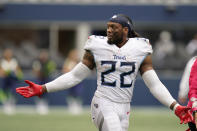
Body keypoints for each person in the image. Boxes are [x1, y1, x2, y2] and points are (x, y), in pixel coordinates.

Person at [16, 14, 192, 131]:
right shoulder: (97, 45)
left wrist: (175, 106)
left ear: (125, 30)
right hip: (103, 102)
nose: (108, 30)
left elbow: (154, 84)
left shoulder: (140, 48)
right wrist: (43, 88)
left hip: (125, 106)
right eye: (108, 26)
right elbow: (75, 75)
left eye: (114, 27)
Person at [32, 49, 56, 114]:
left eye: (45, 55)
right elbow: (35, 71)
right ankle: (39, 105)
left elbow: (52, 70)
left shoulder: (49, 62)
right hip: (39, 80)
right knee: (38, 92)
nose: (44, 56)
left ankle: (44, 105)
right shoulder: (37, 62)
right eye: (42, 54)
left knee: (45, 92)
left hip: (46, 79)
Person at [0, 48, 23, 114]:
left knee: (14, 91)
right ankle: (6, 105)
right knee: (4, 92)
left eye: (9, 53)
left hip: (12, 79)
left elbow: (18, 70)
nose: (8, 54)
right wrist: (6, 72)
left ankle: (12, 105)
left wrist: (16, 73)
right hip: (5, 79)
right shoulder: (2, 61)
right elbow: (1, 72)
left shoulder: (14, 61)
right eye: (7, 53)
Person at [62, 49, 83, 115]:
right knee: (71, 94)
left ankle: (78, 106)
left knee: (78, 93)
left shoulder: (79, 62)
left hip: (78, 80)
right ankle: (71, 106)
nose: (74, 56)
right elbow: (65, 70)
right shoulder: (68, 62)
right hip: (70, 80)